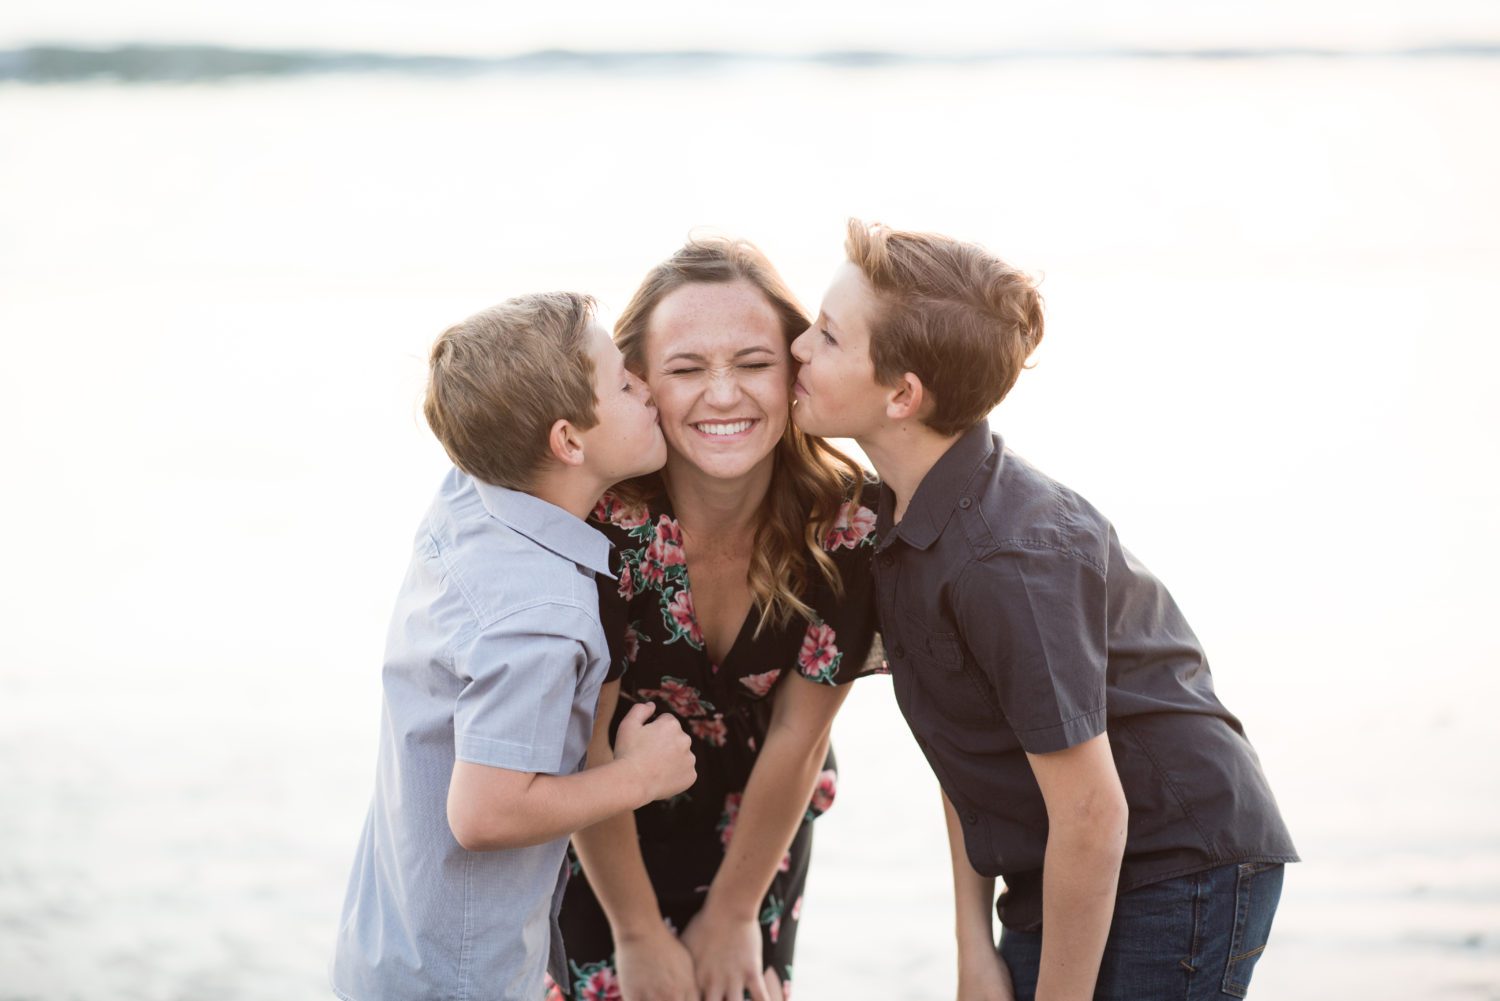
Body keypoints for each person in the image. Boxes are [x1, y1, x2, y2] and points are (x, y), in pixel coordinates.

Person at [788, 221, 1298, 1001]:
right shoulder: (904, 518)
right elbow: (966, 751)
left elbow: (1093, 812)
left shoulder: (1007, 560)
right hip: (1063, 861)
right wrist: (973, 943)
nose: (797, 347)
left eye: (826, 336)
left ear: (903, 396)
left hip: (1174, 863)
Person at [330, 292, 698, 1001]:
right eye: (624, 382)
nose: (647, 386)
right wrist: (642, 776)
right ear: (566, 442)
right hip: (461, 981)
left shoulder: (473, 494)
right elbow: (485, 813)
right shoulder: (541, 618)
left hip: (389, 950)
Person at [550, 238, 881, 1001]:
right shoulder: (601, 528)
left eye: (754, 363)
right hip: (602, 836)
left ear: (798, 369)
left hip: (762, 830)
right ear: (637, 385)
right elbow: (581, 745)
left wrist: (735, 911)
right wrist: (635, 932)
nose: (724, 395)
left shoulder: (846, 524)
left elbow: (803, 734)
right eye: (687, 368)